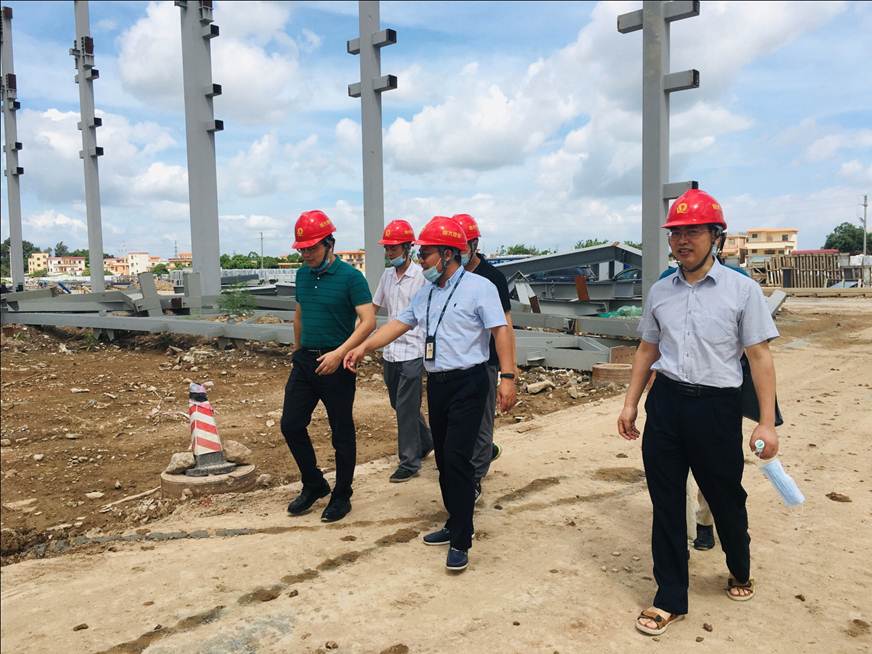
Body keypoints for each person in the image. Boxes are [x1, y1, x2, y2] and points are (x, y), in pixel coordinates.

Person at [616, 189, 780, 636]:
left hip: (716, 408)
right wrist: (631, 403)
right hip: (666, 404)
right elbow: (647, 349)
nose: (682, 241)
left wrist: (766, 422)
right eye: (676, 233)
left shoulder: (742, 291)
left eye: (693, 231)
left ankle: (739, 567)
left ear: (716, 237)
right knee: (666, 502)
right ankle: (670, 597)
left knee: (725, 497)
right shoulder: (660, 291)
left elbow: (760, 357)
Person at [344, 216, 517, 572]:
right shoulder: (427, 292)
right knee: (443, 460)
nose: (421, 259)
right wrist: (363, 347)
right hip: (438, 383)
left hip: (470, 382)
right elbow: (398, 324)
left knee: (457, 459)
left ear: (448, 254)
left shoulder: (480, 287)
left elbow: (501, 331)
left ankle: (461, 539)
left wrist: (508, 377)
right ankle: (454, 520)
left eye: (426, 253)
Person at [281, 210, 375, 523]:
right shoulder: (302, 275)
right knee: (291, 424)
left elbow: (368, 321)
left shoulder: (352, 278)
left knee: (341, 431)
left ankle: (342, 494)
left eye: (312, 248)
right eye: (302, 249)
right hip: (305, 361)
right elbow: (299, 315)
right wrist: (297, 351)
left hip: (338, 362)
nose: (306, 255)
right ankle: (314, 483)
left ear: (329, 244)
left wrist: (340, 353)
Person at [452, 213, 516, 503]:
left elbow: (505, 325)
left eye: (464, 246)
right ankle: (476, 456)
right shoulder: (450, 277)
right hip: (456, 363)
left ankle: (475, 476)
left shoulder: (492, 278)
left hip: (486, 361)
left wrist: (508, 371)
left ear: (475, 244)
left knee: (481, 421)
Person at [372, 219, 433, 483]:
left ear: (407, 247)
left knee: (406, 408)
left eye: (393, 248)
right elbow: (374, 307)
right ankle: (426, 440)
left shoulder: (421, 277)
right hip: (390, 352)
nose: (389, 253)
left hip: (413, 351)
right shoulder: (387, 276)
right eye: (387, 248)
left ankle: (409, 462)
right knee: (398, 404)